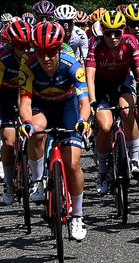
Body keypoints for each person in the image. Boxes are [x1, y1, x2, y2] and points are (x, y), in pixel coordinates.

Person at [18, 20, 92, 242]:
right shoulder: (28, 66)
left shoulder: (73, 65)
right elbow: (25, 103)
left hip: (68, 107)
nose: (46, 58)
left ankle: (78, 215)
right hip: (42, 107)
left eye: (51, 52)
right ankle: (38, 181)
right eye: (41, 52)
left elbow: (85, 102)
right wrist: (26, 122)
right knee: (36, 130)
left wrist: (83, 121)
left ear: (59, 49)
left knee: (72, 164)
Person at [86, 9, 139, 195]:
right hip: (101, 86)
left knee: (129, 110)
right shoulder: (95, 44)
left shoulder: (130, 41)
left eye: (117, 33)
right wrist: (93, 101)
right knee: (105, 127)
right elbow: (90, 76)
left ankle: (135, 159)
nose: (112, 37)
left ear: (123, 31)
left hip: (122, 82)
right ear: (102, 31)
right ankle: (103, 172)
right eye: (108, 33)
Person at [0, 18, 33, 204]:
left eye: (28, 46)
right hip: (7, 96)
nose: (25, 50)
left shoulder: (35, 55)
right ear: (12, 44)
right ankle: (8, 182)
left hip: (29, 95)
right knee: (8, 140)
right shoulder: (2, 56)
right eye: (20, 46)